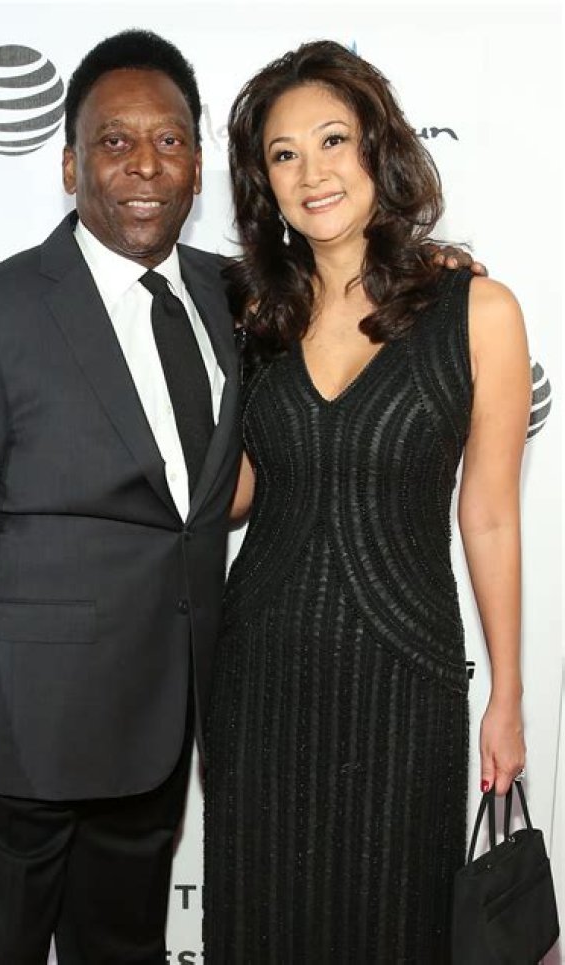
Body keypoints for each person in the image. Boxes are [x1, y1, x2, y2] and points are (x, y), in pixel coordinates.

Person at [0, 29, 243, 965]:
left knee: (123, 949)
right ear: (69, 164)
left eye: (169, 140)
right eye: (114, 140)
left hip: (163, 717)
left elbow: (350, 296)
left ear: (197, 164)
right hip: (27, 730)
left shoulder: (233, 297)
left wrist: (439, 274)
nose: (144, 165)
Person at [203, 40, 529, 963]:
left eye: (333, 139)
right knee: (262, 925)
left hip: (405, 676)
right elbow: (239, 493)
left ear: (378, 147)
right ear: (263, 183)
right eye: (284, 153)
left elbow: (490, 514)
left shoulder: (480, 312)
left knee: (395, 926)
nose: (313, 172)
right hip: (262, 677)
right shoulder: (253, 315)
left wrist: (507, 693)